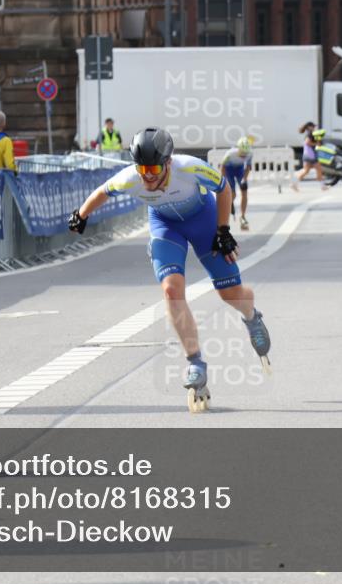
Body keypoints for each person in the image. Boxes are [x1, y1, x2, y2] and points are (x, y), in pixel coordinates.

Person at [68, 127, 272, 413]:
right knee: (171, 289)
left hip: (204, 221)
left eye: (153, 168)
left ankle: (251, 316)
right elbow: (102, 192)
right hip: (166, 227)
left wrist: (223, 230)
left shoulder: (189, 167)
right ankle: (195, 363)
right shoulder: (130, 178)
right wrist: (80, 216)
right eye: (142, 168)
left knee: (230, 294)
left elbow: (223, 188)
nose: (147, 175)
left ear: (167, 162)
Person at [221, 136, 254, 230]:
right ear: (238, 149)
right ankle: (229, 204)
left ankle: (243, 216)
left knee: (244, 191)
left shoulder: (250, 154)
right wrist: (224, 180)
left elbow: (247, 167)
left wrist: (244, 179)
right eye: (242, 153)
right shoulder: (230, 154)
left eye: (245, 154)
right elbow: (222, 168)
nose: (243, 155)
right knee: (233, 194)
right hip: (228, 170)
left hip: (239, 169)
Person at [291, 121, 325, 191]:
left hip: (306, 154)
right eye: (313, 126)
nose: (314, 128)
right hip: (311, 155)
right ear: (309, 127)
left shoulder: (309, 134)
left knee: (306, 171)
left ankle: (294, 184)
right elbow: (307, 142)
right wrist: (316, 144)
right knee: (319, 169)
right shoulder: (310, 134)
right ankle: (323, 186)